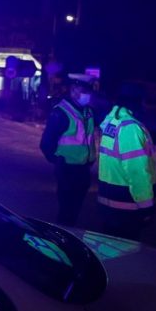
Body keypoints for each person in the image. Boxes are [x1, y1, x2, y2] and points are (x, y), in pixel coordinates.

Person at [97, 82, 156, 240]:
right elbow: (137, 171)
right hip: (126, 207)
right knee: (127, 251)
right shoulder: (130, 128)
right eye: (143, 100)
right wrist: (146, 206)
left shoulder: (114, 122)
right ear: (135, 101)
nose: (145, 105)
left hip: (109, 203)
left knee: (109, 248)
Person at [39, 74, 97, 226]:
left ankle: (70, 231)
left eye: (88, 92)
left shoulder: (87, 111)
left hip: (83, 169)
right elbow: (46, 143)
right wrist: (58, 160)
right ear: (73, 90)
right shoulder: (61, 112)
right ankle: (62, 235)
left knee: (75, 209)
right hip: (67, 169)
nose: (87, 95)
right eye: (84, 91)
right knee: (66, 211)